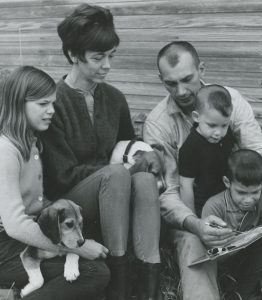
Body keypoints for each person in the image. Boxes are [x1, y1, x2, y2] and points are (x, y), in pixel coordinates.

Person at [143, 41, 262, 300]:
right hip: (194, 207)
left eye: (187, 79)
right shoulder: (158, 124)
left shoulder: (230, 100)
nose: (181, 91)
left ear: (201, 69)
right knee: (191, 242)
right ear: (161, 80)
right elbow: (168, 193)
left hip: (240, 191)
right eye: (171, 83)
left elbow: (260, 149)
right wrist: (195, 223)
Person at [40, 4, 161, 300]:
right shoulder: (53, 104)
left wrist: (147, 156)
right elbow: (62, 175)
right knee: (119, 173)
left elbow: (127, 146)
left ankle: (148, 289)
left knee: (144, 179)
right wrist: (120, 170)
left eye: (111, 56)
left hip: (115, 193)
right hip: (72, 200)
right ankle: (117, 287)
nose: (107, 65)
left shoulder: (115, 98)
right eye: (98, 58)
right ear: (73, 55)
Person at [0, 66, 110, 300]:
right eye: (42, 104)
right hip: (6, 248)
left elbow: (37, 204)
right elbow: (15, 225)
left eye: (52, 103)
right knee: (92, 272)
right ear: (18, 104)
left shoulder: (32, 141)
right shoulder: (6, 151)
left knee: (92, 269)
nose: (51, 111)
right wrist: (74, 247)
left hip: (27, 237)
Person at [202, 149, 262, 299]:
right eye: (241, 193)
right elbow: (211, 253)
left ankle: (247, 292)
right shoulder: (214, 206)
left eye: (255, 192)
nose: (249, 200)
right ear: (227, 182)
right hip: (224, 266)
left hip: (251, 262)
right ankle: (239, 295)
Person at [179, 84, 234, 214]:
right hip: (203, 204)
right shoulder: (191, 147)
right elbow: (185, 186)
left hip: (227, 197)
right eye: (212, 125)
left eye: (224, 125)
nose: (218, 133)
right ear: (196, 117)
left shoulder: (226, 135)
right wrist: (193, 219)